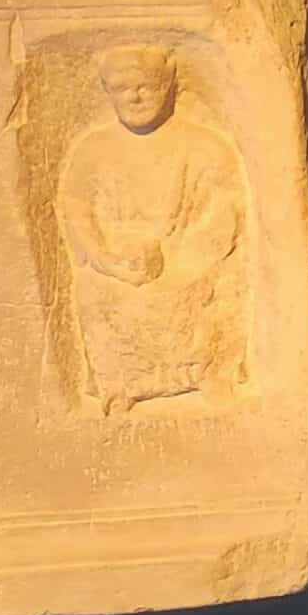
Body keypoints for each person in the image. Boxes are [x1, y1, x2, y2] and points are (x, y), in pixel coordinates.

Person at [56, 45, 248, 414]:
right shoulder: (92, 150)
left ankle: (209, 374)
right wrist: (108, 258)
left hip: (189, 261)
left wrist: (184, 264)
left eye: (146, 86)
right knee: (99, 294)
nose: (136, 96)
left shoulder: (205, 146)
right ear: (108, 91)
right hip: (119, 268)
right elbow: (77, 211)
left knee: (217, 287)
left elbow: (224, 214)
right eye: (122, 88)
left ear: (168, 83)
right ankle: (124, 385)